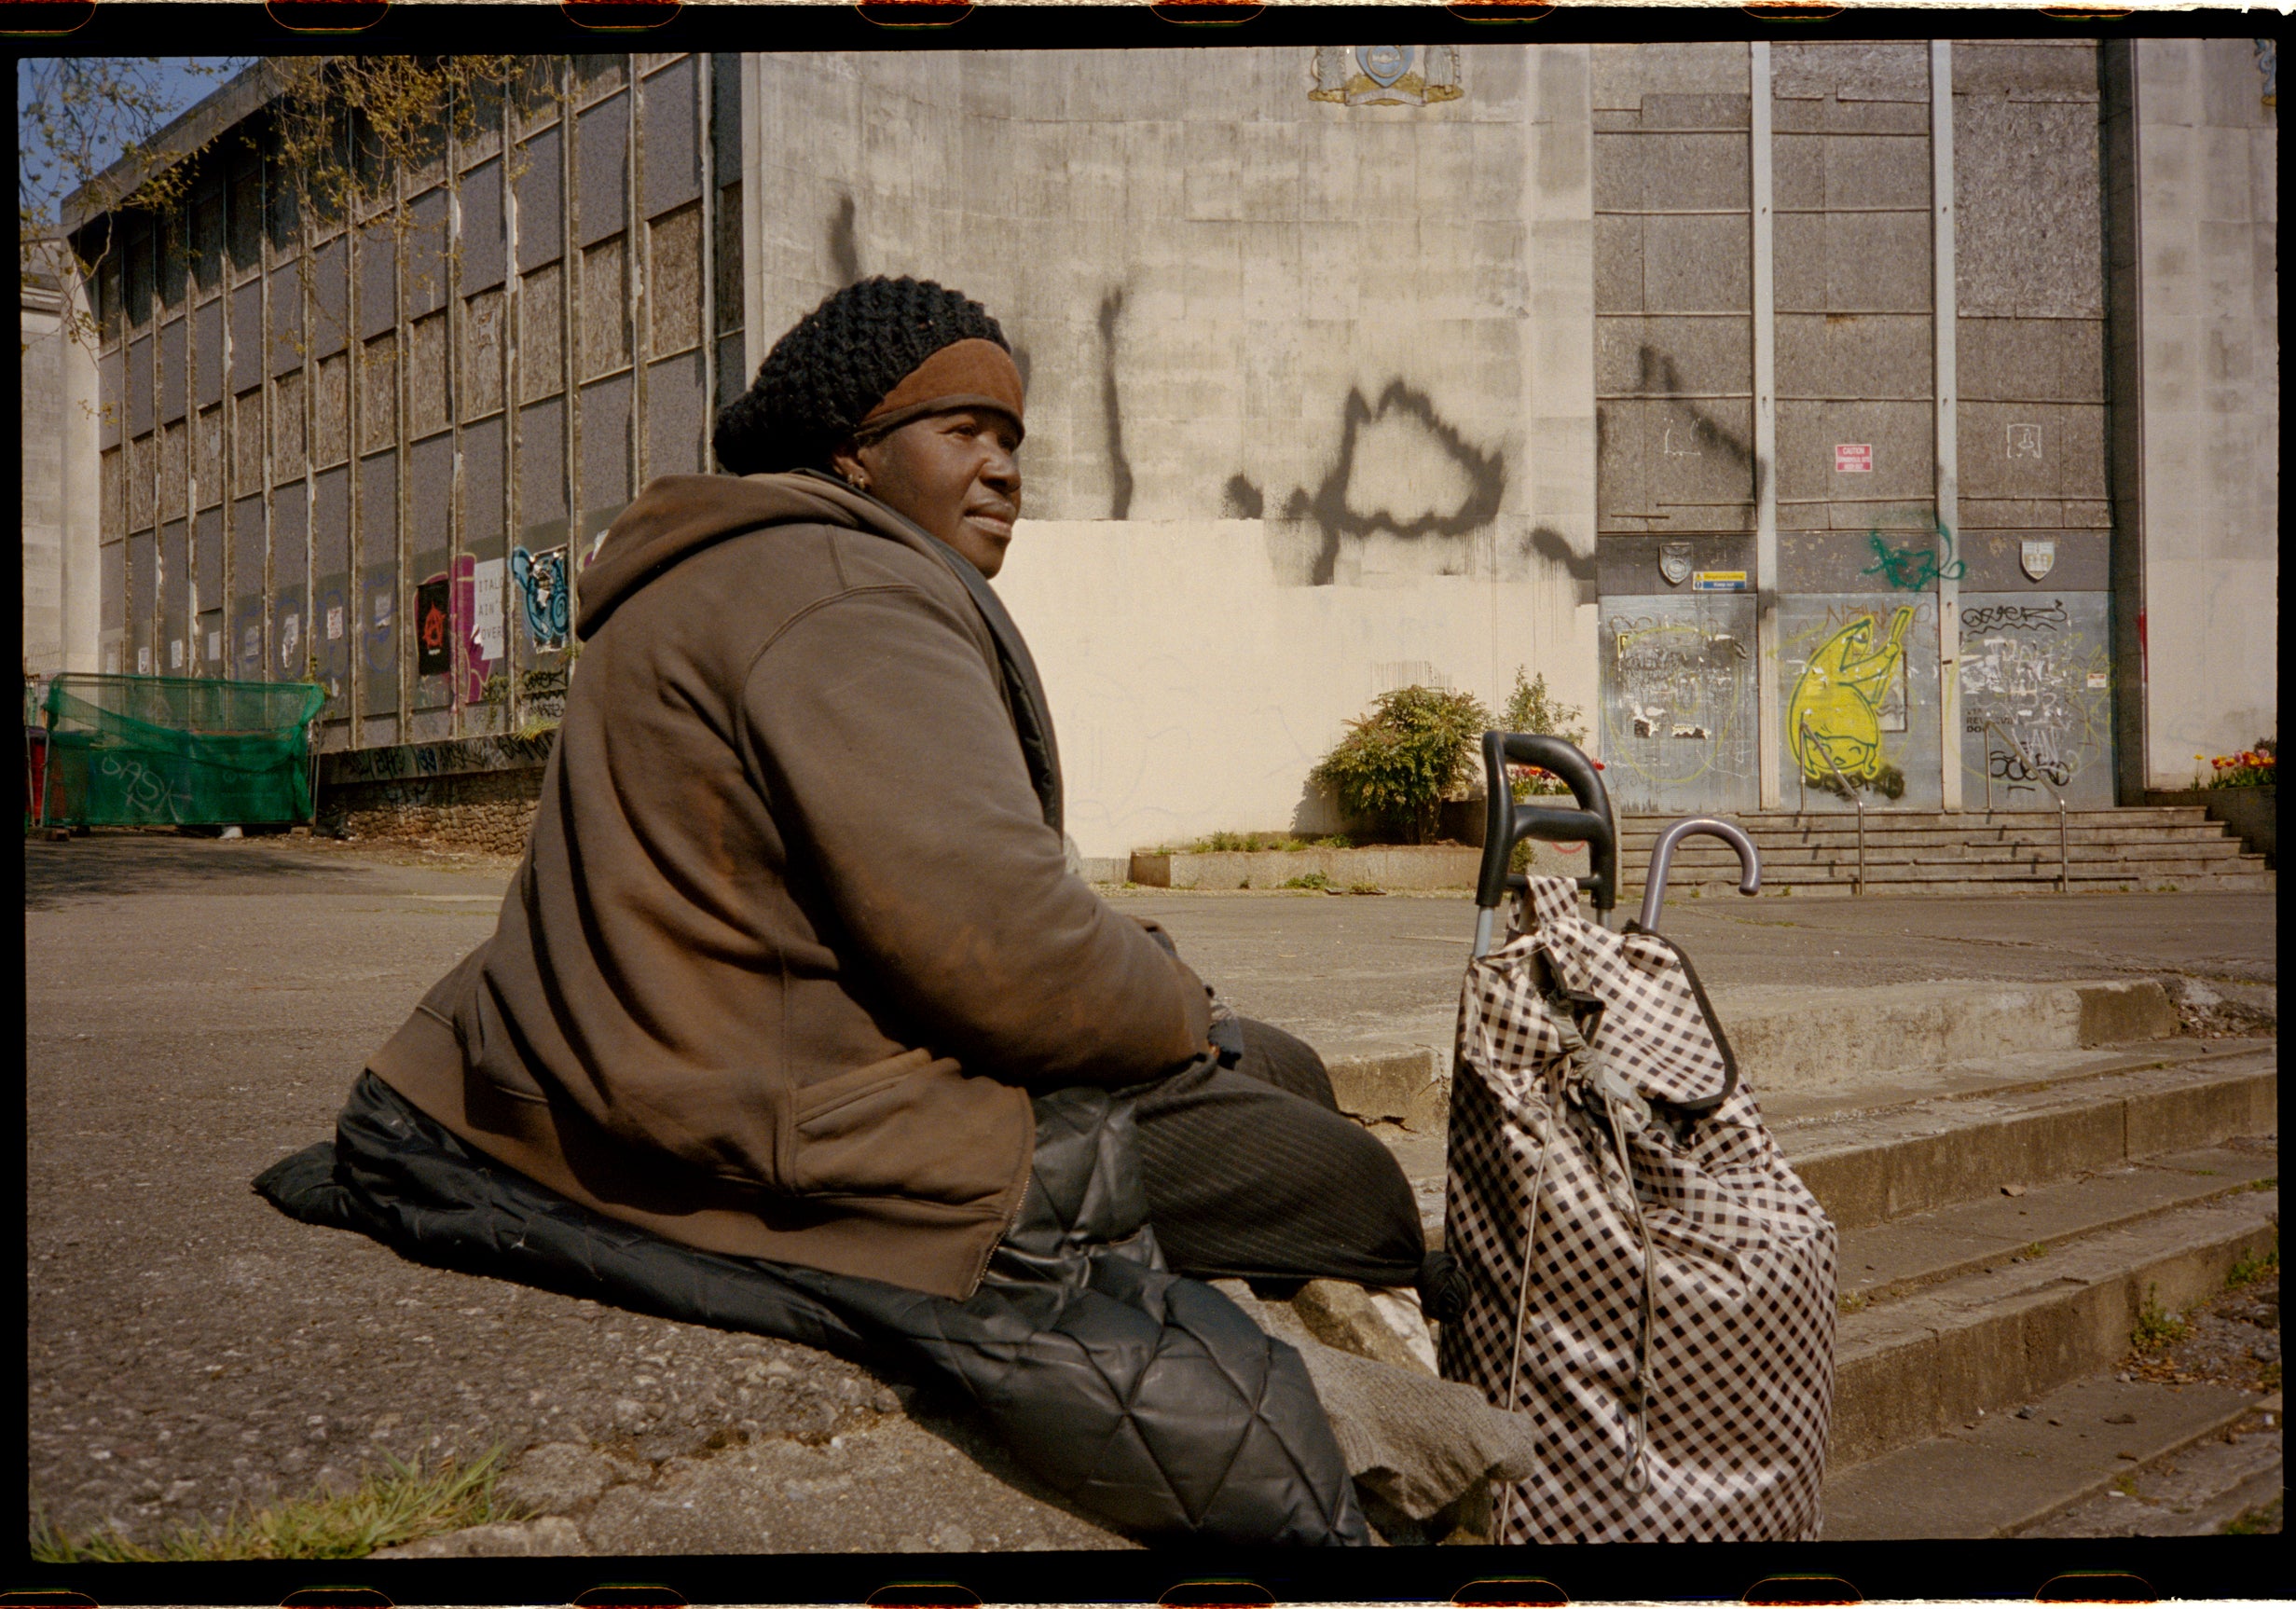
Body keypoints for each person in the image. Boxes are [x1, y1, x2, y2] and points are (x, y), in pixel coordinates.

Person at [258, 277, 1460, 1545]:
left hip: (684, 1053)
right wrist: (1179, 1007)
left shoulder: (744, 560)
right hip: (778, 1108)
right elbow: (1005, 951)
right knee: (1350, 1183)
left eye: (1010, 440)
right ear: (854, 455)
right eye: (961, 431)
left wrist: (1184, 1013)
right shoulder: (851, 594)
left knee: (1277, 1059)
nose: (1000, 469)